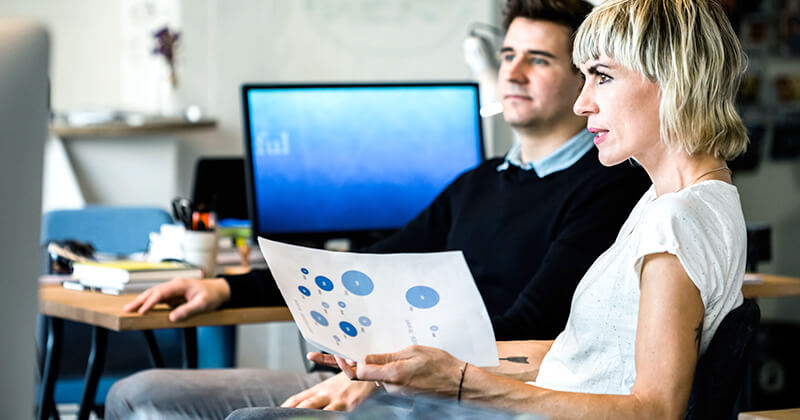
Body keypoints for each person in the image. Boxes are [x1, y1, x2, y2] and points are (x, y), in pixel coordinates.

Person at [105, 0, 650, 418]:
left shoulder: (606, 188)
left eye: (539, 59)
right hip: (402, 378)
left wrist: (388, 368)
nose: (513, 73)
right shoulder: (481, 182)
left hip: (474, 395)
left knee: (257, 416)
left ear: (584, 76)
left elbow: (535, 325)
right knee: (137, 392)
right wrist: (226, 287)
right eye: (508, 56)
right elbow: (367, 262)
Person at [303, 0, 750, 418]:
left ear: (672, 79)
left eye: (602, 77)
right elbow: (572, 357)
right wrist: (410, 363)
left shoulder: (676, 221)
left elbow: (654, 411)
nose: (583, 102)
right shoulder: (669, 201)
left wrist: (461, 382)